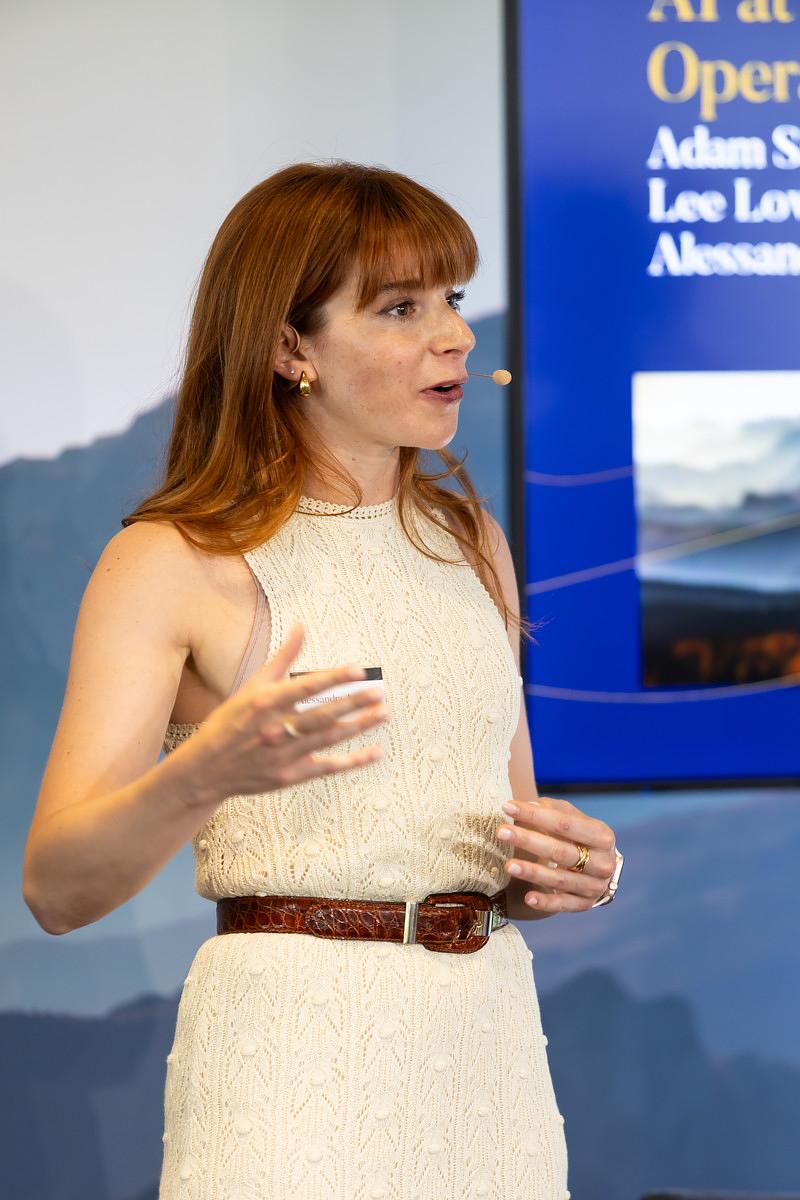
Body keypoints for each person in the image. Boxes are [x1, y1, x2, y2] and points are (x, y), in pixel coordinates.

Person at [22, 161, 621, 1199]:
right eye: (400, 308)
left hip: (488, 1065)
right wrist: (205, 773)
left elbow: (506, 840)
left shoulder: (470, 540)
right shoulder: (171, 559)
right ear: (288, 347)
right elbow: (56, 890)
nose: (454, 335)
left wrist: (567, 870)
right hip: (288, 1071)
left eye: (452, 298)